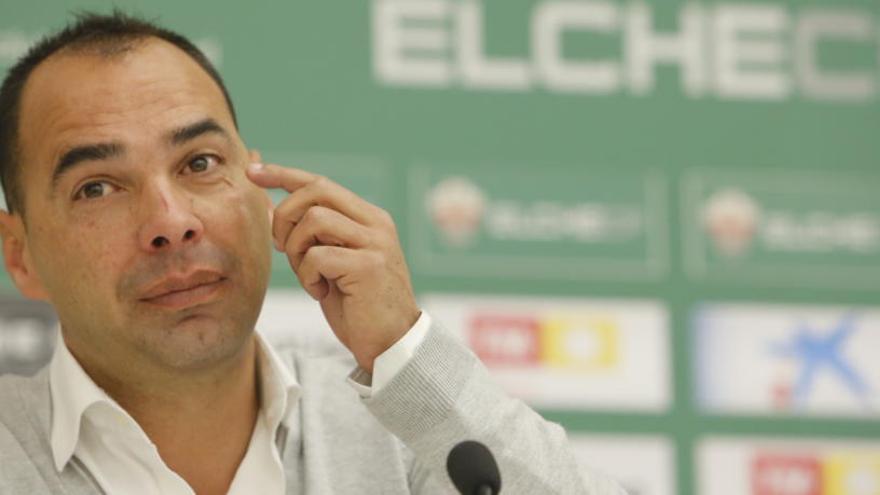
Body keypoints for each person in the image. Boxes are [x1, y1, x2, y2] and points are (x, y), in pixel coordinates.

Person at [0, 11, 623, 495]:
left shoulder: (398, 420)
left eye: (200, 163)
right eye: (98, 187)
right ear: (20, 255)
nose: (171, 221)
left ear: (258, 186)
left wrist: (405, 353)